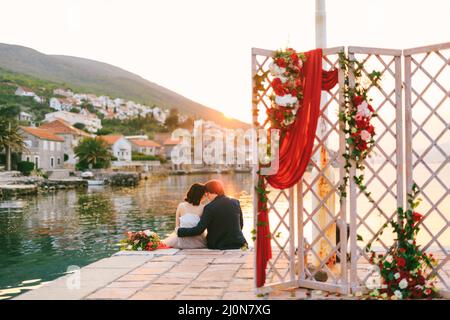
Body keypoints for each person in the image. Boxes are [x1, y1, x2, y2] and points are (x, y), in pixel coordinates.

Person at [177, 179, 247, 250]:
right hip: (240, 243)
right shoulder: (235, 202)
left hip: (218, 244)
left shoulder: (209, 207)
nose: (207, 197)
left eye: (207, 194)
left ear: (212, 192)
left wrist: (179, 231)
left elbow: (199, 230)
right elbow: (241, 224)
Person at [162, 183, 207, 249]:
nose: (205, 195)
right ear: (201, 195)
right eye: (204, 194)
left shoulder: (181, 206)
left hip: (183, 239)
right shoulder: (204, 208)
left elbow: (177, 227)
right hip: (198, 241)